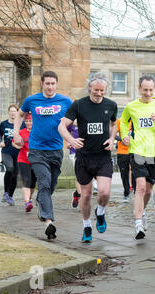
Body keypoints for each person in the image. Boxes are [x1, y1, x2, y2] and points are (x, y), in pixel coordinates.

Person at [58, 72, 117, 243]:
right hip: (84, 157)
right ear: (90, 87)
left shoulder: (111, 105)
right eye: (96, 90)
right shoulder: (79, 105)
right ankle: (86, 226)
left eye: (102, 91)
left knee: (105, 192)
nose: (99, 94)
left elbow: (114, 124)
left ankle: (100, 212)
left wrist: (112, 138)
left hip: (103, 156)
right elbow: (62, 126)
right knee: (85, 195)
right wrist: (71, 140)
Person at [13, 71, 72, 240]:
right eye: (47, 83)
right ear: (42, 84)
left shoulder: (65, 101)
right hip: (37, 150)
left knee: (51, 184)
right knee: (44, 182)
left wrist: (73, 138)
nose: (50, 87)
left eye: (53, 83)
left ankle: (41, 202)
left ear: (57, 84)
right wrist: (16, 133)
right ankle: (48, 222)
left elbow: (74, 120)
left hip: (56, 150)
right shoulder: (32, 100)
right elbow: (20, 114)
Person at [120, 75, 155, 240]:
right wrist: (124, 135)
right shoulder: (131, 106)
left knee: (148, 190)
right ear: (139, 88)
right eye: (145, 90)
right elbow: (123, 122)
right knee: (140, 186)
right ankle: (138, 224)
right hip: (137, 150)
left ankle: (142, 214)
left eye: (151, 90)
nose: (148, 93)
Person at [0, 104, 24, 206]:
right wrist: (0, 142)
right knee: (9, 168)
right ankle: (5, 193)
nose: (13, 113)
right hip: (6, 151)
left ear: (17, 113)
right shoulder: (4, 124)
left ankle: (10, 196)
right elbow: (0, 134)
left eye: (15, 111)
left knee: (15, 174)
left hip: (18, 152)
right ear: (9, 112)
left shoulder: (21, 124)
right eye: (11, 111)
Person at [12, 112, 36, 212]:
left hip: (35, 160)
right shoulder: (21, 132)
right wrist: (18, 146)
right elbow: (13, 142)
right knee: (26, 180)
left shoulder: (37, 132)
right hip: (23, 159)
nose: (28, 123)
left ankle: (29, 198)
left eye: (30, 121)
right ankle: (27, 202)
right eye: (27, 121)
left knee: (33, 183)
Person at [116, 117, 133, 203]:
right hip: (122, 152)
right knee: (124, 174)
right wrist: (121, 139)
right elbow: (112, 134)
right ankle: (126, 193)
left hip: (135, 151)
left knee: (136, 172)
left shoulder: (136, 120)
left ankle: (136, 191)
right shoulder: (120, 121)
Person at [67, 121, 82, 208]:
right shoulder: (71, 121)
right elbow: (64, 130)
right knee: (79, 174)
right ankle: (81, 197)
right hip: (74, 152)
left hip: (87, 151)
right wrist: (68, 141)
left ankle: (76, 194)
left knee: (86, 176)